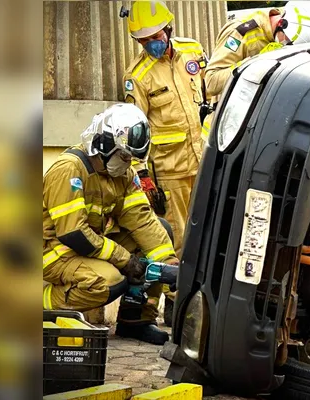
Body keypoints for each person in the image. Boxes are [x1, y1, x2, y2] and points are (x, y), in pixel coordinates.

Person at [43, 104, 179, 345]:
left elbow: (142, 219)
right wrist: (125, 260)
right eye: (124, 156)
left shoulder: (121, 175)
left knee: (160, 229)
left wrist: (169, 267)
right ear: (104, 145)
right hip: (53, 253)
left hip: (86, 246)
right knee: (109, 282)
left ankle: (136, 321)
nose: (128, 163)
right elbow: (73, 233)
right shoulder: (69, 170)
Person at [122, 0, 209, 325]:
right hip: (168, 173)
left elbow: (206, 99)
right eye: (143, 41)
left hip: (202, 163)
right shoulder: (138, 76)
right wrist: (143, 177)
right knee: (176, 240)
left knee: (203, 237)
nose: (150, 44)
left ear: (168, 29)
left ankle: (187, 304)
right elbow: (134, 131)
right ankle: (176, 311)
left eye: (154, 36)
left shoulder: (193, 51)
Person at [204, 1, 310, 98]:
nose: (286, 47)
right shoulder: (240, 32)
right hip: (234, 119)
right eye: (288, 42)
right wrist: (255, 63)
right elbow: (211, 82)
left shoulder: (293, 21)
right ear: (281, 23)